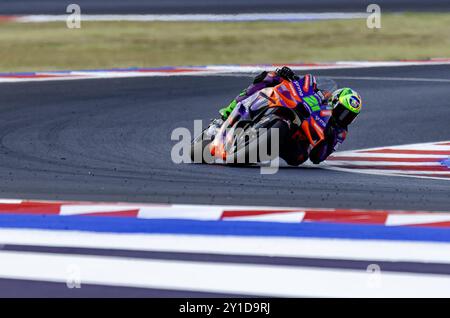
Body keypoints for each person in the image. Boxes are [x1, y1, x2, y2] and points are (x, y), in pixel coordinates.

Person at [215, 66, 362, 166]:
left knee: (300, 156)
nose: (345, 118)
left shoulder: (340, 132)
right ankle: (227, 114)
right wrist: (290, 76)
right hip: (295, 111)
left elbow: (318, 158)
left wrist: (328, 137)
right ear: (335, 101)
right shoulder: (322, 96)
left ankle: (257, 149)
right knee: (269, 78)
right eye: (343, 112)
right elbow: (307, 88)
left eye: (349, 116)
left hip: (298, 146)